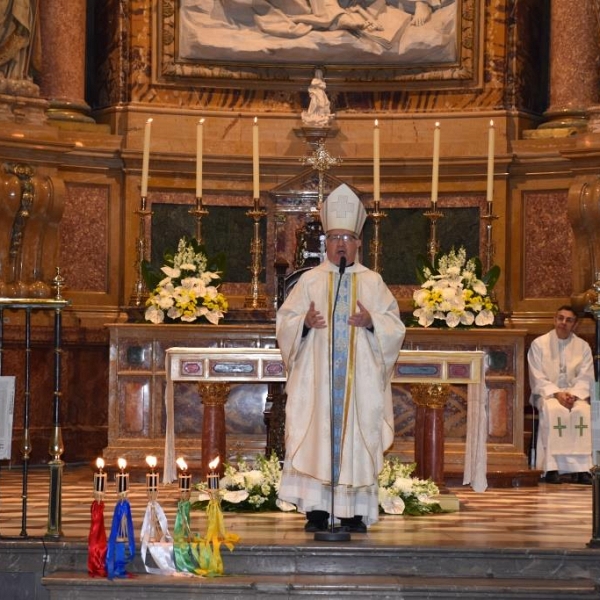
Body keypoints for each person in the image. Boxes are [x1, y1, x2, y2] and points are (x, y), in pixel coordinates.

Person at [276, 183, 405, 532]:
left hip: (359, 386)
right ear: (326, 243)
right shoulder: (309, 281)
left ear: (358, 243)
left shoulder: (373, 283)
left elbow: (395, 327)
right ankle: (318, 509)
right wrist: (302, 323)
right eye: (334, 238)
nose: (340, 244)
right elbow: (285, 322)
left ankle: (352, 512)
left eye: (347, 238)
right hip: (317, 384)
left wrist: (372, 323)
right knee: (316, 436)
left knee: (355, 438)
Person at [527, 305, 595, 485]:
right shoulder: (539, 344)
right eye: (560, 318)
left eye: (568, 320)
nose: (563, 323)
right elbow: (537, 376)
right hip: (547, 395)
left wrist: (573, 395)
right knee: (554, 410)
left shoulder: (583, 346)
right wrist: (557, 394)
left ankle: (582, 469)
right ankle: (551, 467)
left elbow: (586, 376)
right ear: (554, 319)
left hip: (575, 396)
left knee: (584, 412)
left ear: (575, 325)